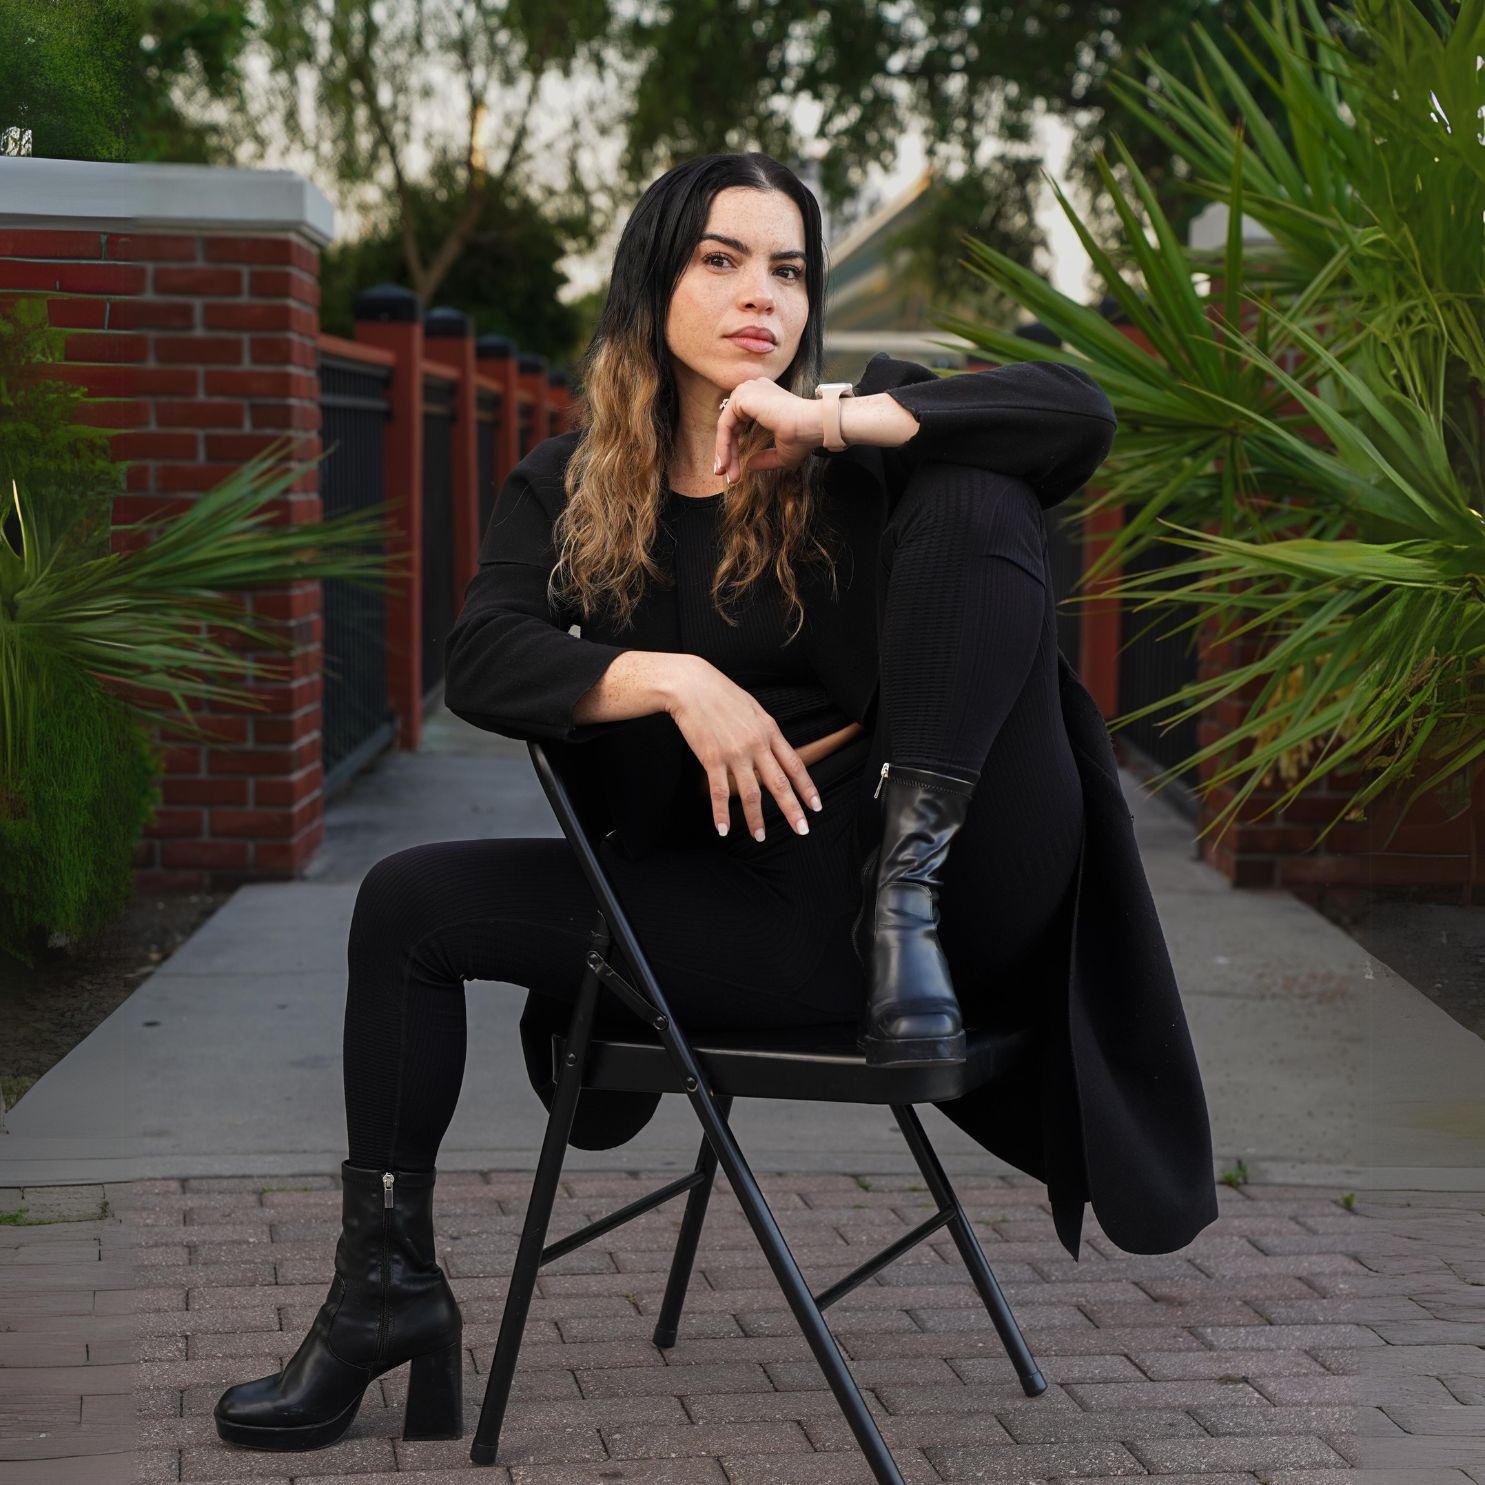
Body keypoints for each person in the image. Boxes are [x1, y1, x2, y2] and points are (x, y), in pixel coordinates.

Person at [214, 152, 1216, 1454]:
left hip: (951, 888)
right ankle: (383, 1295)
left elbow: (1073, 415)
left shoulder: (852, 451)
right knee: (407, 906)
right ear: (655, 282)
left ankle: (900, 896)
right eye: (723, 259)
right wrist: (670, 679)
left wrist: (838, 421)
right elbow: (481, 658)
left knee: (976, 475)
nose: (764, 294)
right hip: (747, 909)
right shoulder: (573, 488)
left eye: (790, 269)